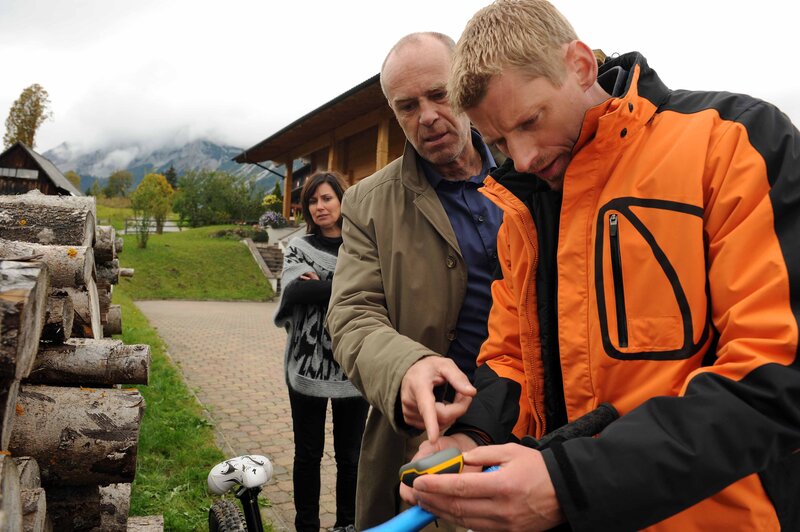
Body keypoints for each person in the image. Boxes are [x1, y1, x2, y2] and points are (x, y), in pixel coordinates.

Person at [401, 1, 800, 530]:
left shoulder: (732, 141)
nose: (522, 160)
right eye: (497, 142)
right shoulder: (522, 201)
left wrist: (572, 483)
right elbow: (511, 356)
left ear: (581, 66)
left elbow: (775, 373)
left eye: (529, 121)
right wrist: (469, 435)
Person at [326, 32, 504, 529]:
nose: (426, 116)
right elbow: (351, 313)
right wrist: (406, 367)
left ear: (467, 85)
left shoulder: (530, 168)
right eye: (407, 106)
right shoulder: (367, 203)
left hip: (533, 428)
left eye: (439, 94)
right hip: (429, 438)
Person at [274, 171, 369, 532]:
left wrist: (322, 284)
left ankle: (347, 524)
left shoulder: (362, 244)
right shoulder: (299, 246)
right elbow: (294, 293)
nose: (319, 207)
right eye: (313, 200)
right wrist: (344, 285)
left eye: (327, 198)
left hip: (353, 363)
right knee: (308, 454)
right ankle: (307, 526)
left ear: (343, 200)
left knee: (350, 456)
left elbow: (374, 287)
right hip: (306, 366)